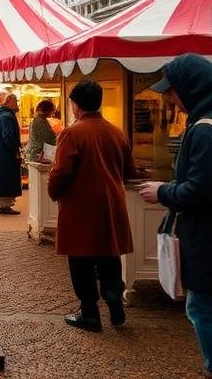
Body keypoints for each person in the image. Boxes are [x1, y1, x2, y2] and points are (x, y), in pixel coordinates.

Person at [138, 54, 212, 378]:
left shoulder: (205, 130)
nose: (171, 99)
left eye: (173, 92)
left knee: (202, 309)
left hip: (210, 237)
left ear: (190, 88)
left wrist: (162, 191)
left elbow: (201, 191)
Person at [47, 80, 138, 332]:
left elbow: (61, 171)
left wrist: (53, 191)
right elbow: (129, 171)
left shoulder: (72, 133)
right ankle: (112, 295)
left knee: (81, 259)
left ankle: (89, 312)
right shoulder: (116, 131)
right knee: (109, 254)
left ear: (75, 105)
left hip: (81, 204)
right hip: (112, 202)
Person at [0, 93, 22, 214]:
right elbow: (8, 136)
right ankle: (4, 206)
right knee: (6, 178)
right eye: (15, 100)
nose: (17, 103)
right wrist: (15, 150)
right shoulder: (6, 116)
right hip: (5, 154)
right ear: (8, 102)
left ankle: (1, 205)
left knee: (1, 179)